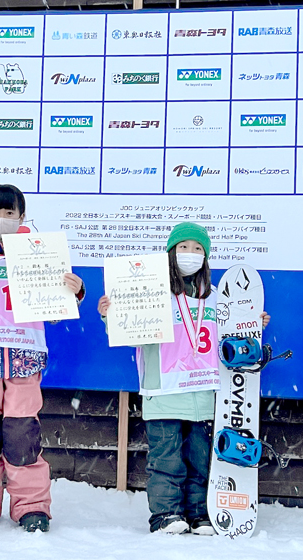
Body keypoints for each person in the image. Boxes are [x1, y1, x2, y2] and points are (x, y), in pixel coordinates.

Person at [98, 222, 269, 535]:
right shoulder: (151, 293)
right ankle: (165, 514)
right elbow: (129, 335)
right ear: (170, 253)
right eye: (183, 247)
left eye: (197, 249)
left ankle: (201, 513)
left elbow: (234, 339)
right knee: (166, 459)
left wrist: (251, 322)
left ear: (205, 258)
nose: (190, 254)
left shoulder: (218, 298)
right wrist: (111, 315)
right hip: (163, 389)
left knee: (201, 459)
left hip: (205, 392)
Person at [0, 184, 85, 535]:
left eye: (9, 213)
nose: (2, 219)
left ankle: (32, 507)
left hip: (24, 357)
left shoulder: (40, 258)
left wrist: (74, 291)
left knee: (23, 436)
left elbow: (54, 313)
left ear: (22, 216)